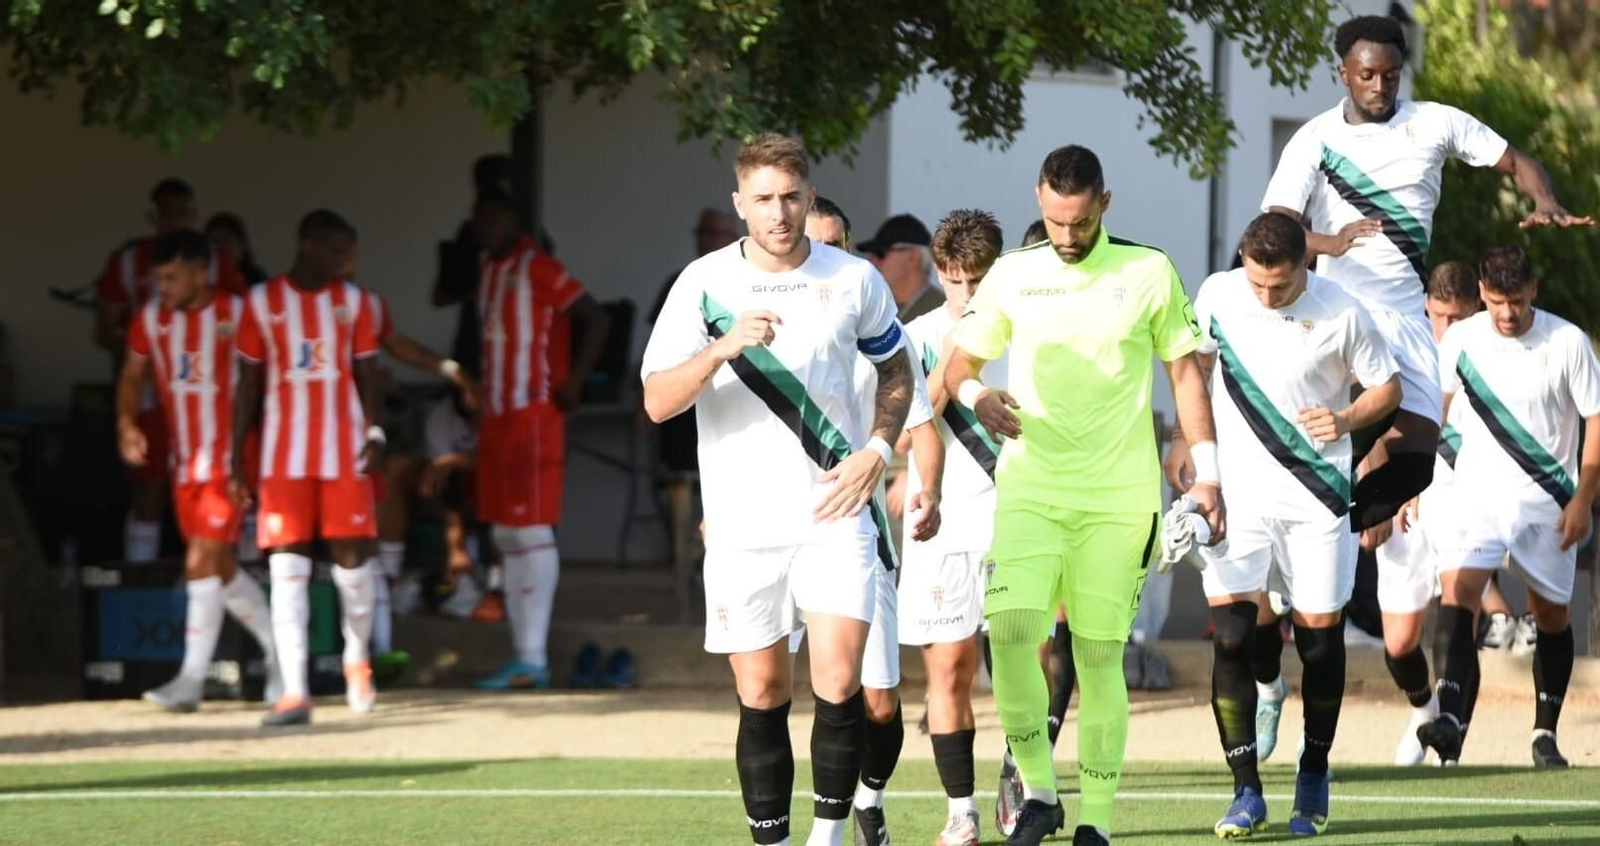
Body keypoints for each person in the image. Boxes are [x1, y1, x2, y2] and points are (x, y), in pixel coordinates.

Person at [945, 145, 1222, 846]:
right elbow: (957, 366)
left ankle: (1095, 818)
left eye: (1080, 221)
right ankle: (1040, 793)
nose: (1067, 236)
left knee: (1098, 658)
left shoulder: (1148, 270)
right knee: (1010, 635)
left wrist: (1210, 473)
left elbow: (1185, 374)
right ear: (1039, 201)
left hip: (1118, 501)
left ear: (1105, 203)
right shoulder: (1013, 273)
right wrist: (977, 396)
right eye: (1055, 221)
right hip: (1031, 491)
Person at [641, 134, 914, 846]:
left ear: (809, 197)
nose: (779, 212)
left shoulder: (852, 278)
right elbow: (658, 401)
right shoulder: (702, 283)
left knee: (839, 679)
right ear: (740, 203)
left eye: (791, 197)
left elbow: (896, 370)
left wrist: (877, 451)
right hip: (743, 524)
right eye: (763, 199)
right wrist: (721, 348)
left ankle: (828, 837)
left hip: (834, 512)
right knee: (762, 692)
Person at [1261, 14, 1591, 552]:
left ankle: (1336, 517)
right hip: (1341, 310)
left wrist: (1545, 199)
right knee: (1360, 428)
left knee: (1418, 463)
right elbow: (1278, 225)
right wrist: (1330, 242)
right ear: (1344, 73)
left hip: (1406, 315)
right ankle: (1311, 519)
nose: (1380, 86)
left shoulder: (1435, 122)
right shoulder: (1315, 139)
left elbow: (1515, 161)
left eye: (1390, 75)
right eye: (1367, 75)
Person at [1179, 212, 1401, 837]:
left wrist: (1347, 418)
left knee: (1319, 643)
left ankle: (1314, 770)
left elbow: (1387, 388)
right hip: (1238, 498)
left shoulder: (1343, 311)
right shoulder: (1219, 293)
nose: (1265, 295)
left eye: (1278, 285)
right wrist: (1183, 442)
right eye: (1256, 282)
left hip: (1317, 498)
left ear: (1306, 262)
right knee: (1231, 637)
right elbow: (1193, 368)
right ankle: (1245, 791)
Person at [1421, 246, 1600, 769]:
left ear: (1533, 291)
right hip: (1477, 498)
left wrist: (1583, 500)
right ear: (1481, 293)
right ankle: (1449, 718)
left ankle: (1545, 733)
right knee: (1459, 592)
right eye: (1497, 301)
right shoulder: (1461, 339)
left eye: (1516, 301)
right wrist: (1414, 482)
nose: (1506, 312)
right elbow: (1436, 414)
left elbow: (1596, 419)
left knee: (1551, 616)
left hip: (1549, 503)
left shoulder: (1566, 342)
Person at [803, 196, 944, 846]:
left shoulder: (881, 329)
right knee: (779, 689)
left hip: (859, 531)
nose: (822, 256)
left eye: (835, 244)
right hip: (780, 532)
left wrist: (925, 487)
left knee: (880, 702)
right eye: (812, 243)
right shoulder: (763, 328)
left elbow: (923, 424)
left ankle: (869, 799)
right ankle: (815, 829)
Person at [231, 210, 384, 727]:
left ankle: (356, 658)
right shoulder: (260, 302)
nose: (348, 261)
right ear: (309, 246)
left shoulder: (357, 302)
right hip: (283, 457)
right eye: (339, 251)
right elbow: (248, 385)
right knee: (286, 569)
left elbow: (368, 373)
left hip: (345, 451)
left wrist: (376, 432)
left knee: (352, 567)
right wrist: (236, 458)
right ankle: (294, 690)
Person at [115, 229, 279, 712]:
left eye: (171, 277)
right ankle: (281, 656)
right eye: (158, 277)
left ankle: (190, 681)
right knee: (221, 571)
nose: (161, 286)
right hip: (184, 463)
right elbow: (131, 375)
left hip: (230, 462)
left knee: (200, 562)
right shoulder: (152, 318)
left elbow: (263, 379)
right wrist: (126, 423)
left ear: (200, 273)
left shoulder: (237, 313)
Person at [473, 185, 611, 690]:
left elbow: (597, 318)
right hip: (496, 413)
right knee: (505, 534)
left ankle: (533, 659)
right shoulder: (489, 268)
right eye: (480, 218)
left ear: (514, 219)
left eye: (494, 216)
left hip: (533, 413)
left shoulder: (540, 266)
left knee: (530, 529)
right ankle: (522, 655)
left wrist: (574, 382)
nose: (486, 227)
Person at [899, 209, 1007, 846]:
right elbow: (906, 432)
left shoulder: (1026, 329)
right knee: (948, 671)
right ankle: (961, 810)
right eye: (954, 279)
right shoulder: (914, 336)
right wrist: (950, 363)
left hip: (1016, 518)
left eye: (977, 279)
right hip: (941, 523)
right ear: (939, 273)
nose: (965, 292)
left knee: (1022, 667)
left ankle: (1024, 771)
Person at [95, 178, 249, 564]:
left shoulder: (216, 262)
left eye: (181, 213)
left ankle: (244, 576)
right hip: (157, 399)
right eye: (165, 214)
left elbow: (251, 344)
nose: (174, 221)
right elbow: (106, 330)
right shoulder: (130, 261)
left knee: (229, 509)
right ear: (153, 217)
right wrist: (152, 359)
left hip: (221, 413)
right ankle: (142, 578)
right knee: (150, 487)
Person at [1377, 261, 1483, 765]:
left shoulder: (1486, 349)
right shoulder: (1403, 339)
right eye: (1439, 315)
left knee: (1457, 617)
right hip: (1405, 504)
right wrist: (1391, 488)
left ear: (1475, 309)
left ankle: (1451, 736)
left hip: (1463, 500)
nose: (1446, 327)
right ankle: (1423, 711)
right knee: (1399, 644)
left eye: (1457, 317)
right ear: (1425, 307)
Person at [648, 208, 741, 621]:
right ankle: (684, 581)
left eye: (718, 233)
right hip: (686, 416)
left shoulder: (748, 282)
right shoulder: (683, 282)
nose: (710, 240)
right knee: (681, 497)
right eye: (705, 232)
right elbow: (657, 358)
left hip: (739, 415)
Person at [859, 214, 945, 322]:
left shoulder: (942, 314)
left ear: (913, 257)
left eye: (881, 253)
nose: (872, 261)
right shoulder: (878, 311)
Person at [205, 213, 269, 286]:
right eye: (214, 242)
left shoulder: (257, 280)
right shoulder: (203, 280)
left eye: (226, 240)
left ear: (242, 244)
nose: (220, 247)